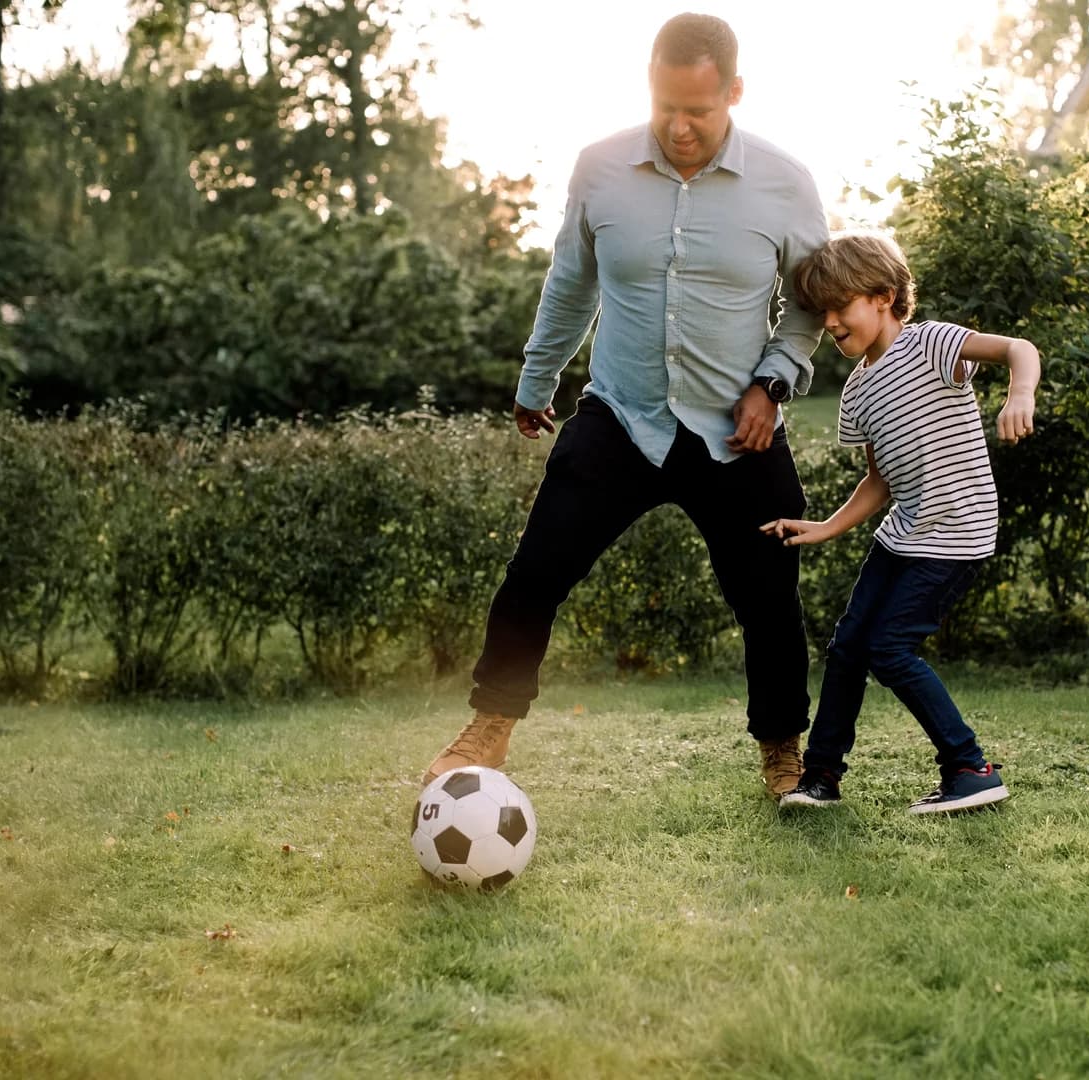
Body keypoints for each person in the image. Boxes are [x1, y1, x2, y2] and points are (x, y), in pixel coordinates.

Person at [422, 13, 829, 799]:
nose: (679, 126)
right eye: (665, 106)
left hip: (735, 427)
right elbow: (572, 281)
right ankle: (489, 727)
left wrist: (773, 383)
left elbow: (811, 302)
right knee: (534, 573)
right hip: (621, 417)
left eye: (699, 112)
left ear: (735, 93)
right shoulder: (600, 168)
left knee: (770, 599)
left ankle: (782, 751)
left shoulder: (785, 181)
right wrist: (537, 379)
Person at [762, 233, 1041, 814]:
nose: (831, 322)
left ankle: (970, 769)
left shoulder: (932, 343)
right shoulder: (857, 391)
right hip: (904, 532)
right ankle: (821, 778)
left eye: (842, 307)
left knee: (889, 649)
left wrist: (1020, 396)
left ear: (885, 295)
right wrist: (824, 527)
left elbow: (1020, 349)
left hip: (957, 532)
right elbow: (878, 482)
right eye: (823, 312)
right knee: (847, 649)